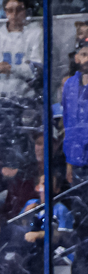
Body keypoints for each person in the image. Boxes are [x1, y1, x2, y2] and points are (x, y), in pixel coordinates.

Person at [0, 0, 43, 103]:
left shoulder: (36, 33)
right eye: (10, 10)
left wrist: (11, 69)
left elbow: (36, 70)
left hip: (27, 98)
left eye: (19, 9)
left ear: (26, 11)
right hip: (2, 96)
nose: (14, 14)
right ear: (5, 12)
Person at [63, 43, 88, 186]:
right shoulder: (70, 85)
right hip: (77, 158)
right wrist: (69, 162)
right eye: (84, 55)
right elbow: (68, 124)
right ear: (77, 58)